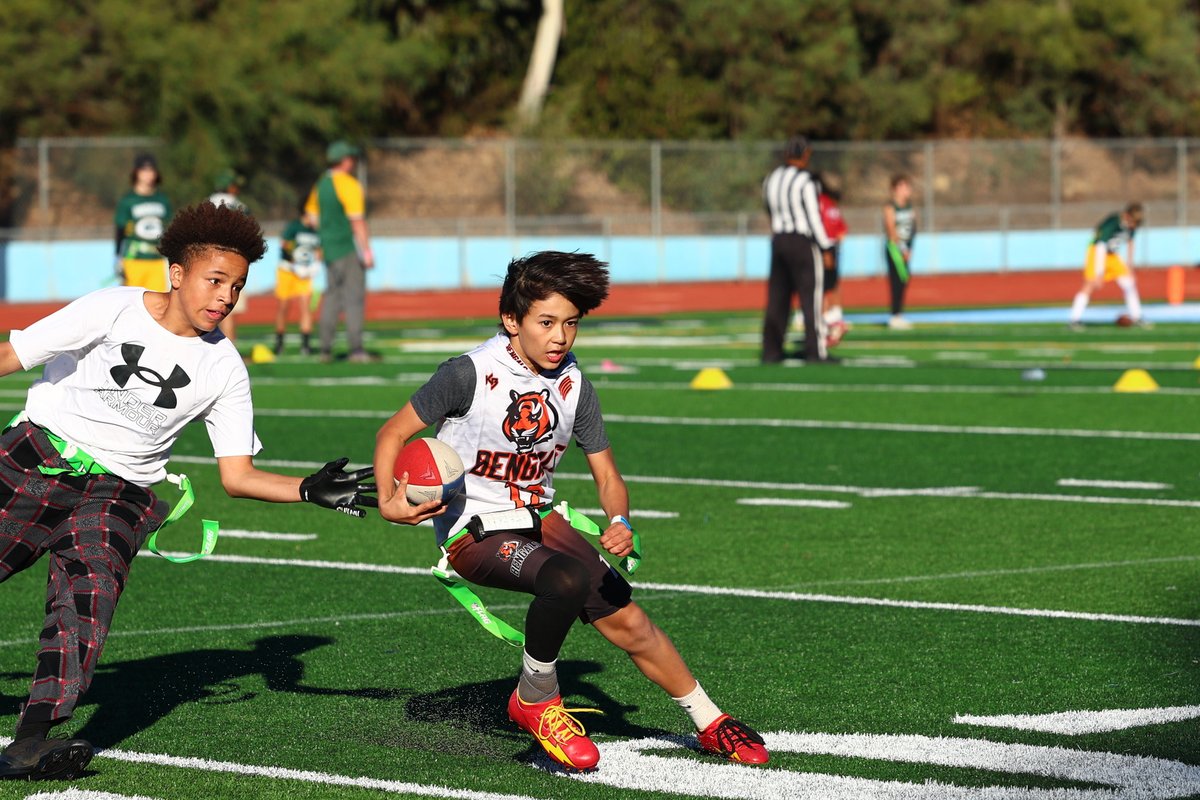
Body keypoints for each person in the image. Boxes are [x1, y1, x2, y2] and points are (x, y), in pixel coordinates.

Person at [0, 203, 377, 781]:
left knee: (89, 596)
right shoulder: (112, 309)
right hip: (36, 460)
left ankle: (29, 742)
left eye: (238, 286)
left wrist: (307, 488)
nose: (226, 297)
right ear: (176, 273)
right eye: (216, 280)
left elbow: (238, 475)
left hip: (122, 493)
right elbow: (13, 354)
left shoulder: (224, 367)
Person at [373, 251, 769, 771]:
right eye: (546, 322)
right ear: (511, 321)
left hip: (539, 517)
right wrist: (387, 499)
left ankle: (710, 720)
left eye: (571, 324)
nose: (560, 336)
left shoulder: (574, 382)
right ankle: (535, 698)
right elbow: (392, 433)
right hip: (473, 530)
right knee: (563, 578)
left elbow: (607, 474)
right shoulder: (467, 373)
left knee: (628, 618)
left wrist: (620, 521)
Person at [761, 135, 836, 364]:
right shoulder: (806, 181)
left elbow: (768, 208)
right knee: (810, 298)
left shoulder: (771, 178)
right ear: (806, 155)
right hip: (802, 242)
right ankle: (815, 351)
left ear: (786, 154)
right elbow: (814, 217)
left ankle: (771, 351)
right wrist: (826, 246)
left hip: (778, 240)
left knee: (777, 299)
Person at [306, 140, 375, 363]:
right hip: (346, 248)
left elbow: (312, 218)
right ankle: (356, 349)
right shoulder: (348, 185)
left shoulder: (321, 184)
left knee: (332, 299)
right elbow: (357, 221)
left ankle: (325, 349)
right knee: (353, 299)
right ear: (345, 161)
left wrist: (327, 235)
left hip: (328, 250)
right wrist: (366, 252)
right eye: (352, 159)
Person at [1068, 203, 1149, 330]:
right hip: (1096, 252)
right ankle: (1074, 319)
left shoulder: (1132, 225)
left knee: (1129, 282)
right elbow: (1101, 245)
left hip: (1112, 255)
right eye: (1133, 221)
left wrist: (1130, 266)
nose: (1134, 226)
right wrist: (1099, 273)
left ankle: (1137, 316)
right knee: (1089, 284)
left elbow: (1130, 243)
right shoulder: (1113, 222)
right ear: (1127, 215)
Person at [114, 153, 172, 292]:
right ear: (136, 173)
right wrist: (117, 256)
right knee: (131, 302)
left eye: (152, 170)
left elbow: (169, 229)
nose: (149, 174)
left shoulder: (162, 200)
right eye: (144, 170)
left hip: (157, 259)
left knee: (159, 304)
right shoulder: (128, 201)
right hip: (134, 259)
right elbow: (120, 229)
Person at [274, 203, 322, 356]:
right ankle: (279, 343)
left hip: (305, 273)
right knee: (284, 307)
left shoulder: (316, 230)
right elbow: (284, 245)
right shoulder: (294, 227)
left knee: (306, 307)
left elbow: (320, 249)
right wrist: (294, 264)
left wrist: (315, 265)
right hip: (288, 270)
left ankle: (306, 345)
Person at [208, 170, 249, 342]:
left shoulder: (207, 203)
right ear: (230, 187)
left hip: (209, 261)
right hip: (233, 260)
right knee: (227, 309)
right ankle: (230, 353)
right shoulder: (240, 206)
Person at [815, 172, 850, 348]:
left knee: (819, 287)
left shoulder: (819, 203)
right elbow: (842, 231)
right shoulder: (830, 204)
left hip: (822, 248)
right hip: (833, 247)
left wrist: (825, 249)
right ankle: (836, 318)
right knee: (832, 285)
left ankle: (829, 325)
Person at [883, 174, 917, 331]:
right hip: (894, 249)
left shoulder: (910, 207)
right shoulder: (890, 207)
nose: (906, 190)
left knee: (904, 280)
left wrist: (910, 248)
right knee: (896, 281)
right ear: (895, 189)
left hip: (906, 249)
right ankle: (895, 315)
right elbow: (891, 229)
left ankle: (899, 313)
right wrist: (902, 249)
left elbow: (913, 228)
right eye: (903, 187)